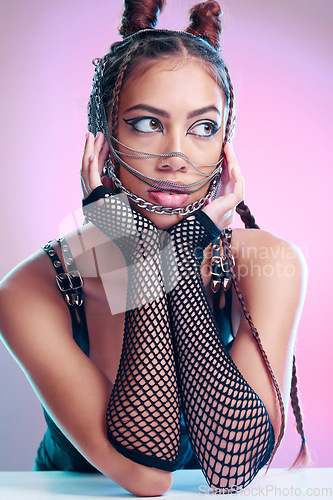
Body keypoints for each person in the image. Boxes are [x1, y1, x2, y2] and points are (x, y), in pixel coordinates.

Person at [0, 0, 308, 496]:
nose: (175, 157)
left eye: (203, 128)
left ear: (225, 145)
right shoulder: (29, 290)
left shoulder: (266, 265)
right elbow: (147, 478)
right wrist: (136, 252)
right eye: (147, 123)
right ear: (102, 138)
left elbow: (232, 468)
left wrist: (183, 254)